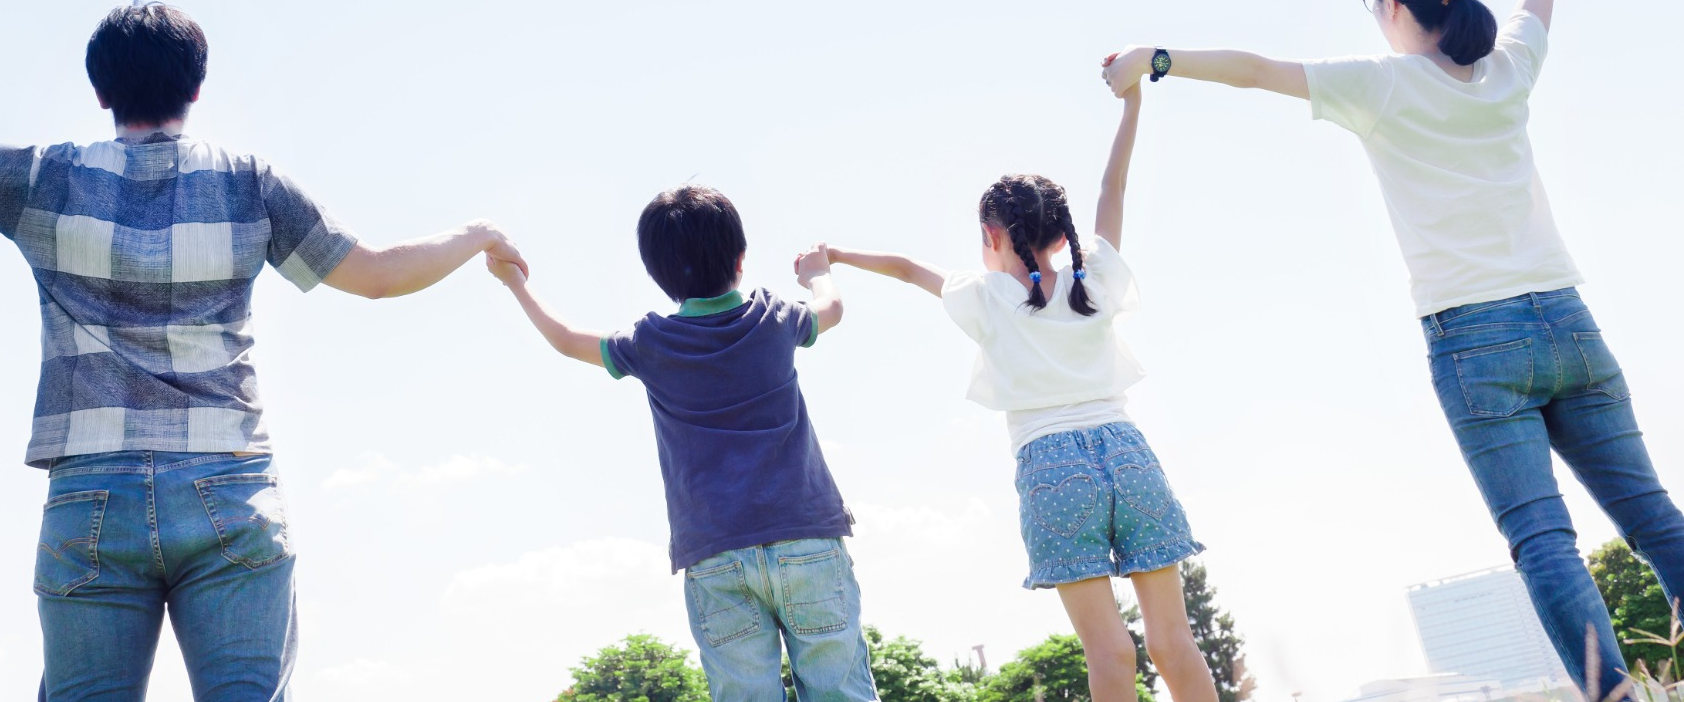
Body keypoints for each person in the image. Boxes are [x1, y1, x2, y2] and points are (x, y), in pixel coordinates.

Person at [0, 2, 526, 699]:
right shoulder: (250, 183)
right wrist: (477, 235)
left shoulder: (46, 178)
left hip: (91, 494)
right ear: (196, 87)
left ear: (100, 90)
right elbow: (378, 277)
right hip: (230, 488)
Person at [1099, 0, 1684, 690]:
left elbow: (1256, 71)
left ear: (1400, 9)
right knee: (1654, 517)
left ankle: (1614, 694)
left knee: (1544, 541)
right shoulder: (1511, 66)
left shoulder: (1383, 84)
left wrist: (1156, 59)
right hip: (1569, 321)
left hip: (1474, 342)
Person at [818, 84, 1220, 702]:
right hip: (1130, 454)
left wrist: (835, 255)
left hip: (1053, 465)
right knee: (1173, 641)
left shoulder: (986, 297)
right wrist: (1132, 104)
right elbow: (1113, 189)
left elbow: (903, 267)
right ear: (1063, 236)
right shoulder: (1098, 279)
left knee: (1109, 651)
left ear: (991, 234)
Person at [485, 185, 877, 700]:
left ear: (659, 275)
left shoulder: (650, 343)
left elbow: (564, 338)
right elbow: (832, 308)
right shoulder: (775, 318)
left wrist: (512, 280)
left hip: (714, 555)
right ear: (740, 259)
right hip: (806, 535)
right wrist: (816, 272)